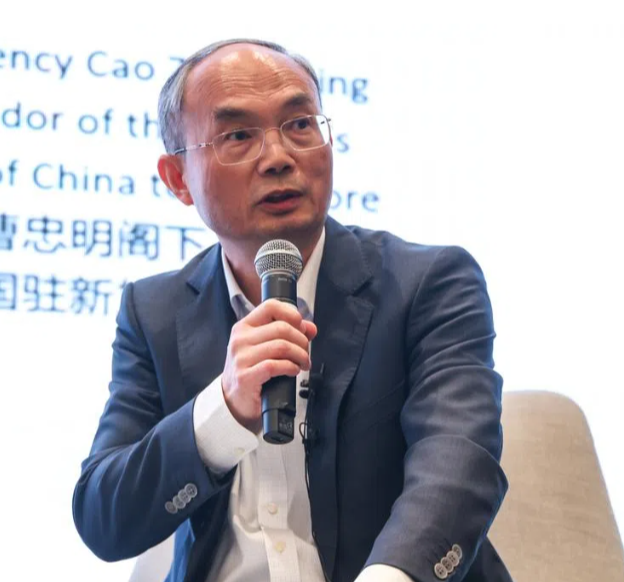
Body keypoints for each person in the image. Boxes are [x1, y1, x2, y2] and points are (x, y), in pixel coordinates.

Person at [72, 38, 511, 582]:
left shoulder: (429, 283)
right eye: (238, 136)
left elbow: (457, 465)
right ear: (178, 179)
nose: (279, 157)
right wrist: (223, 411)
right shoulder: (154, 311)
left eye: (301, 125)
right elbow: (105, 518)